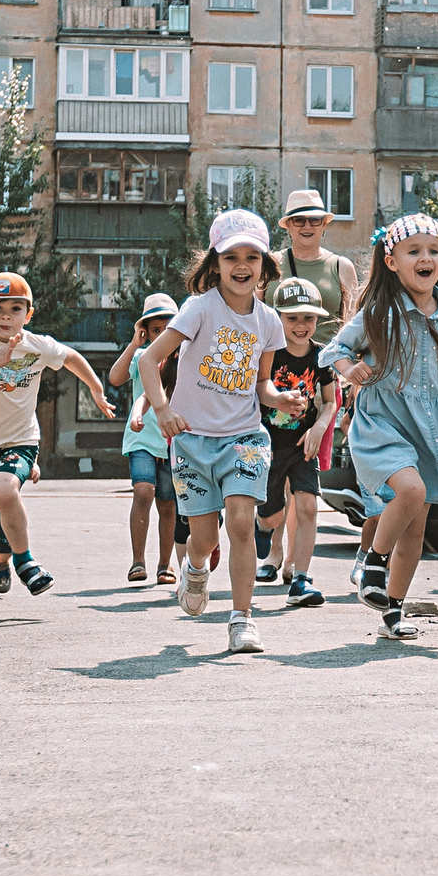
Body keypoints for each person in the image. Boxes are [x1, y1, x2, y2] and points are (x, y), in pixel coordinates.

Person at [318, 213, 438, 640]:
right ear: (392, 261)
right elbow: (334, 348)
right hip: (381, 424)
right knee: (410, 491)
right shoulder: (380, 311)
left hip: (426, 429)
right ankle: (373, 563)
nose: (425, 258)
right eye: (414, 251)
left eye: (433, 250)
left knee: (416, 527)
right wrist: (349, 368)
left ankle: (393, 610)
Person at [140, 209, 289, 655]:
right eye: (231, 257)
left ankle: (242, 619)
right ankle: (197, 568)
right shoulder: (199, 309)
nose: (242, 266)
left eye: (252, 257)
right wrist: (162, 410)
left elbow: (261, 383)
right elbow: (150, 360)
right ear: (215, 264)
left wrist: (278, 398)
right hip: (190, 440)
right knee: (203, 538)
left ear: (265, 265)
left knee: (242, 521)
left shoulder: (269, 321)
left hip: (244, 436)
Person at [0, 272, 117, 615]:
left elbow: (71, 357)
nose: (5, 316)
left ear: (28, 314)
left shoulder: (37, 345)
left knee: (4, 491)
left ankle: (25, 561)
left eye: (15, 309)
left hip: (21, 438)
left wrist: (95, 388)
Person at [255, 276, 340, 611]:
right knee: (273, 516)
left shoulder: (321, 357)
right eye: (292, 318)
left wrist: (320, 427)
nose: (302, 325)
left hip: (304, 443)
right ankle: (262, 525)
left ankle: (301, 578)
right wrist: (278, 400)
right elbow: (260, 390)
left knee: (307, 506)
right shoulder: (269, 354)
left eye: (308, 318)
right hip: (267, 444)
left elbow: (332, 401)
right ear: (278, 318)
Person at [109, 294, 182, 587]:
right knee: (143, 490)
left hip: (173, 441)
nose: (162, 336)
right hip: (141, 439)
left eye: (169, 329)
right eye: (155, 330)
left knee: (168, 505)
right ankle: (138, 560)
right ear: (146, 333)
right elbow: (115, 378)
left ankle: (165, 565)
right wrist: (133, 345)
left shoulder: (185, 360)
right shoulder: (142, 357)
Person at [270, 189, 361, 338]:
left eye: (315, 220)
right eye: (299, 220)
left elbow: (352, 326)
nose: (307, 226)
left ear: (324, 224)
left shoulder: (341, 267)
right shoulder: (271, 264)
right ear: (288, 226)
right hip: (277, 359)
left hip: (326, 360)